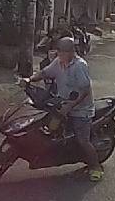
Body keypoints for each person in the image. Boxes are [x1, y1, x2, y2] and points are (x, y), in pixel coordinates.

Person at [19, 37, 102, 181]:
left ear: (71, 52)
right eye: (58, 51)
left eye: (62, 52)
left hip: (81, 110)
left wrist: (69, 106)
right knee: (47, 127)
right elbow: (44, 73)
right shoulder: (58, 62)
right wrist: (29, 79)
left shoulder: (80, 66)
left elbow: (84, 91)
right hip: (61, 104)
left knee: (82, 140)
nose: (59, 54)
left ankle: (96, 167)